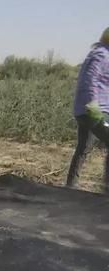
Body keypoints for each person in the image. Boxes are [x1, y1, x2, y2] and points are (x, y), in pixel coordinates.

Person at [66, 27, 109, 191]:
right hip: (94, 111)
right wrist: (94, 108)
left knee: (83, 148)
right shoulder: (102, 54)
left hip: (87, 110)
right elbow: (89, 80)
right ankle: (107, 187)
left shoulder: (100, 53)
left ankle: (70, 187)